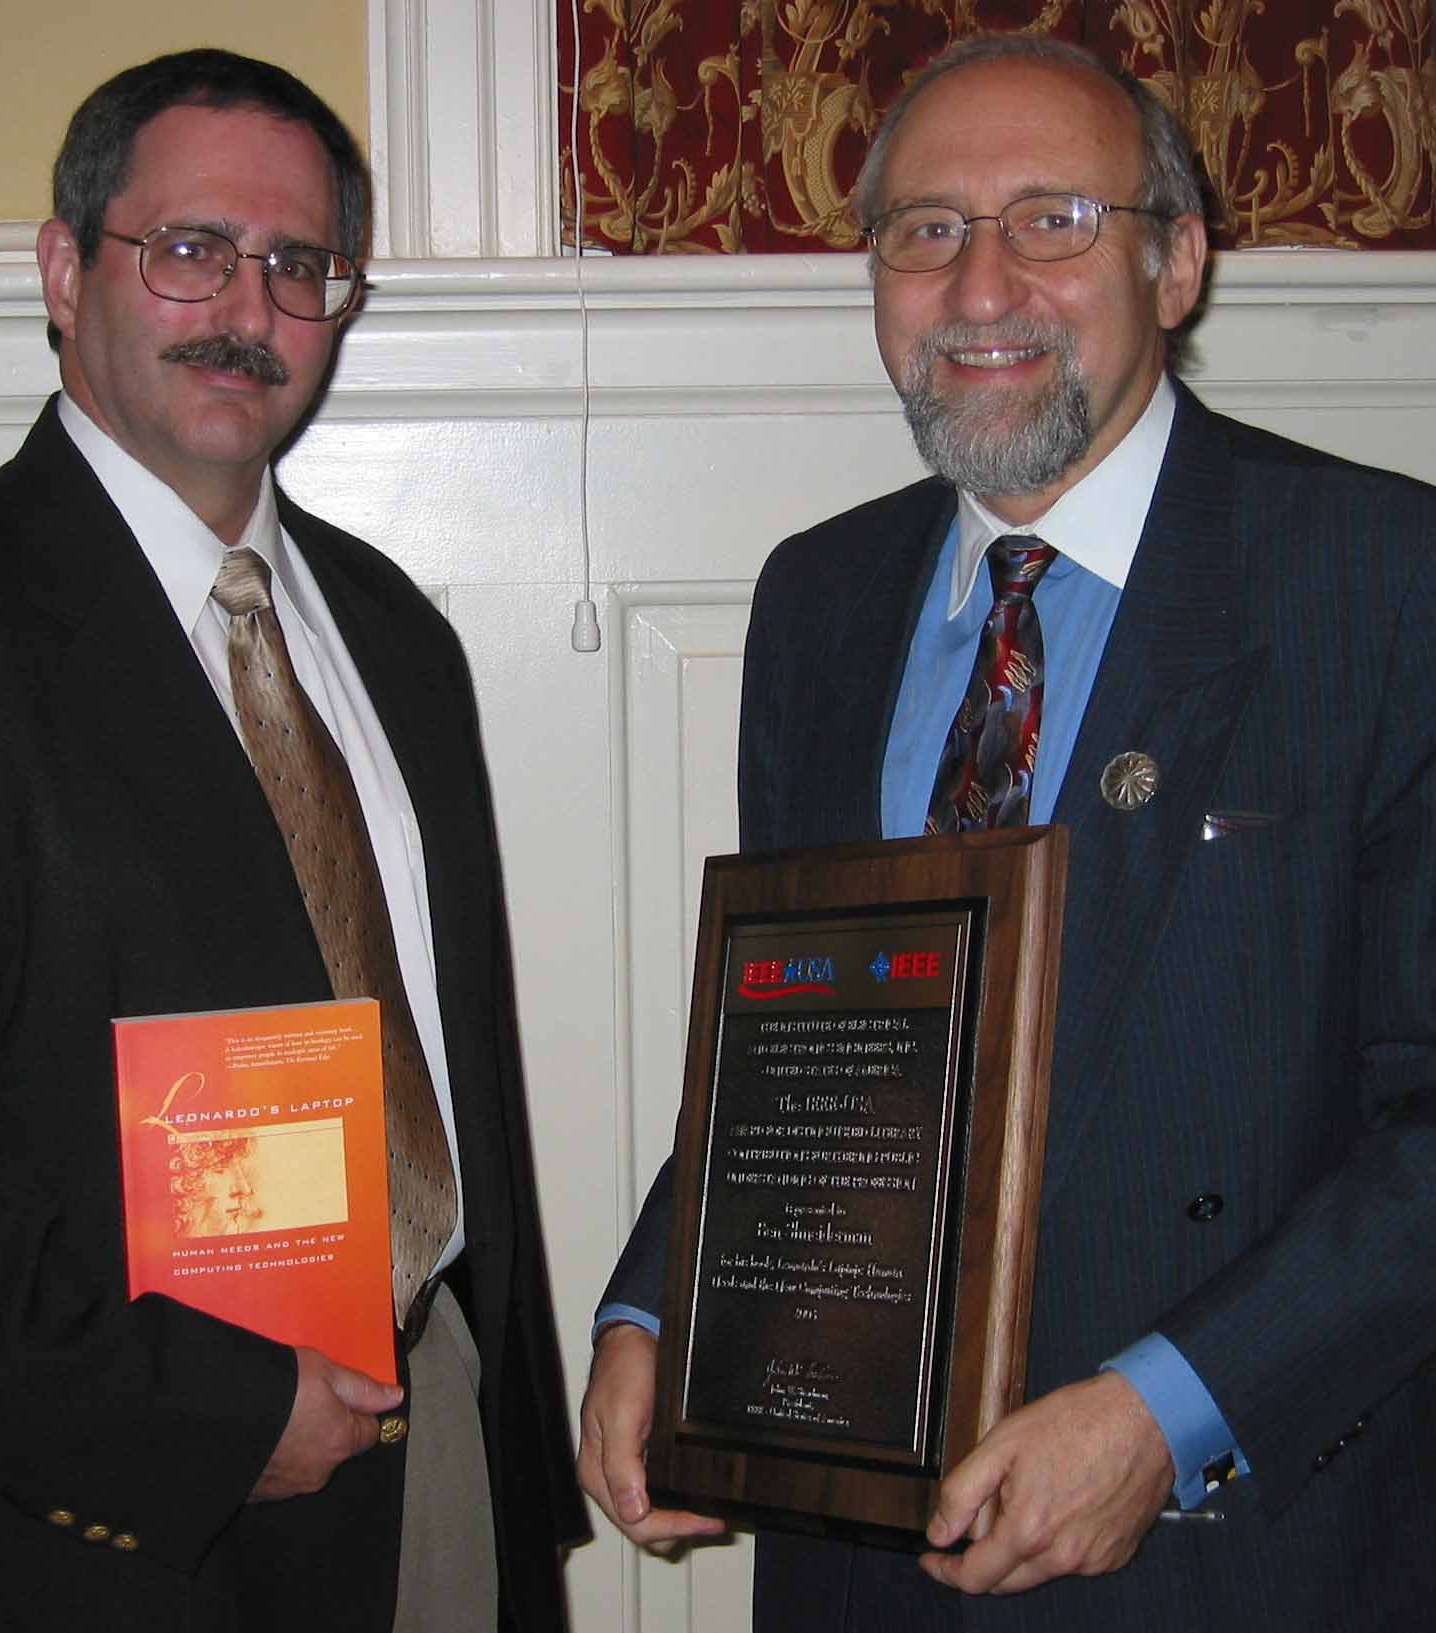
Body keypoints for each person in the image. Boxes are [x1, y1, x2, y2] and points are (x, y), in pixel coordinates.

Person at [579, 30, 1436, 1633]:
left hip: (1234, 1554)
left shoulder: (1387, 584)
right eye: (923, 230)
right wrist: (657, 1310)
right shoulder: (815, 600)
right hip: (859, 1564)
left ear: (1175, 263)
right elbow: (805, 1038)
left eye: (1051, 220)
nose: (980, 289)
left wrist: (1162, 1413)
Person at [0, 48, 583, 1633]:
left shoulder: (389, 633)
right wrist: (213, 1418)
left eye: (301, 265)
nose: (252, 308)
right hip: (92, 1546)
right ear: (60, 267)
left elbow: (458, 1073)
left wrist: (507, 1436)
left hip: (433, 1454)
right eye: (189, 250)